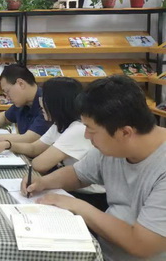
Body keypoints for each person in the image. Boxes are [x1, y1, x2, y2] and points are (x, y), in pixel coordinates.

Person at [22, 75, 166, 260]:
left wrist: (77, 206)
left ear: (125, 132)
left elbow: (142, 245)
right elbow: (78, 174)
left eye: (91, 129)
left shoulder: (160, 166)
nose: (86, 136)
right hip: (101, 251)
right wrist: (42, 182)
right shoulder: (113, 147)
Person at [0, 77, 106, 209]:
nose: (40, 103)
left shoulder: (78, 129)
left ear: (56, 103)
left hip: (89, 197)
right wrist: (8, 144)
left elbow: (39, 164)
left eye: (43, 98)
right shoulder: (59, 125)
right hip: (70, 189)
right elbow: (34, 148)